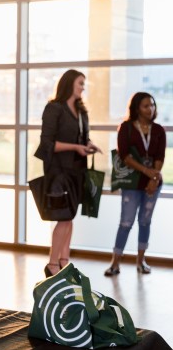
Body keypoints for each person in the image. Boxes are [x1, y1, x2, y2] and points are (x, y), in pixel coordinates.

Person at [34, 69, 101, 278]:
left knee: (69, 217)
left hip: (77, 171)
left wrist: (88, 146)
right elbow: (47, 144)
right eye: (80, 83)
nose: (83, 87)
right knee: (63, 217)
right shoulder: (54, 108)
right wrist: (75, 147)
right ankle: (53, 264)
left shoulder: (82, 111)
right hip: (58, 172)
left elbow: (83, 139)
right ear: (69, 84)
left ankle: (64, 261)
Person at [105, 92, 166, 276]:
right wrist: (147, 172)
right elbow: (124, 156)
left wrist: (153, 179)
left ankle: (141, 261)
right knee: (126, 222)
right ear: (136, 108)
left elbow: (160, 157)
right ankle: (115, 263)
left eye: (152, 105)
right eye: (146, 106)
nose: (151, 109)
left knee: (145, 222)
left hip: (152, 184)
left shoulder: (158, 130)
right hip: (132, 184)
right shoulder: (126, 128)